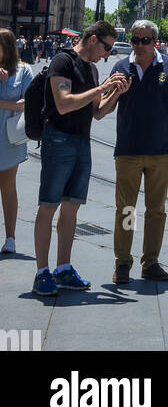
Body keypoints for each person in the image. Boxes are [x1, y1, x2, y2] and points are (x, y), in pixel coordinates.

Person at [32, 21, 129, 296]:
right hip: (58, 139)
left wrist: (115, 95)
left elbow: (97, 112)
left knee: (72, 207)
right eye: (106, 47)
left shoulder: (91, 68)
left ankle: (63, 268)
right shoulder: (63, 61)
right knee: (48, 206)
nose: (108, 54)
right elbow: (63, 104)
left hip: (81, 141)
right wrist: (101, 88)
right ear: (93, 39)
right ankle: (42, 273)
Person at [110, 19, 168, 284]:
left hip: (160, 150)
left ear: (155, 42)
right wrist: (113, 92)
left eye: (145, 40)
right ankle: (122, 262)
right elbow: (103, 108)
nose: (139, 45)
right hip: (128, 150)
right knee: (126, 210)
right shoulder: (121, 67)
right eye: (135, 40)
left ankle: (151, 261)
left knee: (156, 210)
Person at [0, 27, 35, 253]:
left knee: (7, 188)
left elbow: (28, 103)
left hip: (8, 139)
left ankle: (10, 237)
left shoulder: (23, 71)